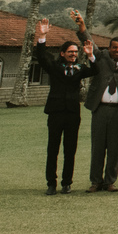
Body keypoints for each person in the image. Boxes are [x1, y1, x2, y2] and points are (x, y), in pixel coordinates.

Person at [71, 9, 118, 194]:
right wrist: (82, 27)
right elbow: (88, 41)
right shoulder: (101, 57)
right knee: (98, 146)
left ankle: (110, 181)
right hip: (100, 110)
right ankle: (95, 181)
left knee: (115, 147)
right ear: (109, 48)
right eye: (114, 47)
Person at [34, 17, 97, 195]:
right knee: (52, 149)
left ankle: (67, 183)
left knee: (70, 150)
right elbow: (41, 57)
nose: (73, 54)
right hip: (55, 113)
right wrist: (42, 36)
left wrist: (90, 55)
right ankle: (51, 183)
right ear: (62, 53)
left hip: (72, 114)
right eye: (70, 52)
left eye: (75, 52)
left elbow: (95, 70)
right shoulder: (54, 67)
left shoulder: (80, 69)